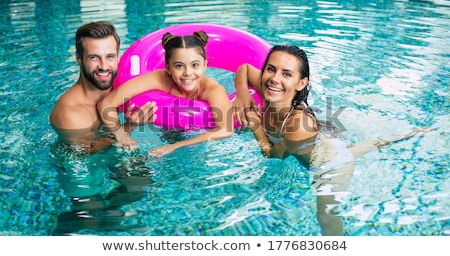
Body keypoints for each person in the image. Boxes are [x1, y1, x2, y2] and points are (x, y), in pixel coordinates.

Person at [232, 45, 430, 235]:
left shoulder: (298, 125)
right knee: (361, 147)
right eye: (271, 69)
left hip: (330, 166)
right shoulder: (271, 88)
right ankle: (403, 135)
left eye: (287, 74)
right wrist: (242, 95)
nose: (275, 79)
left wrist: (255, 125)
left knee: (326, 216)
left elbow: (273, 154)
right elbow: (244, 69)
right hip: (324, 143)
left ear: (301, 83)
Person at [49, 21, 155, 234]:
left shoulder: (117, 85)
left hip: (109, 146)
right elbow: (84, 151)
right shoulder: (70, 111)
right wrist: (130, 126)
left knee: (140, 186)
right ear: (79, 59)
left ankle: (112, 212)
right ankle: (66, 228)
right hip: (76, 162)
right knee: (90, 213)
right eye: (94, 57)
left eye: (110, 56)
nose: (104, 67)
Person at [97, 31, 233, 157]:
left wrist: (176, 146)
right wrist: (121, 135)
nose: (188, 73)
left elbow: (226, 129)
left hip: (199, 131)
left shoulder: (213, 90)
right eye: (179, 66)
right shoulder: (159, 79)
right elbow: (106, 103)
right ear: (168, 68)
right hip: (168, 128)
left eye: (195, 65)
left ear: (205, 65)